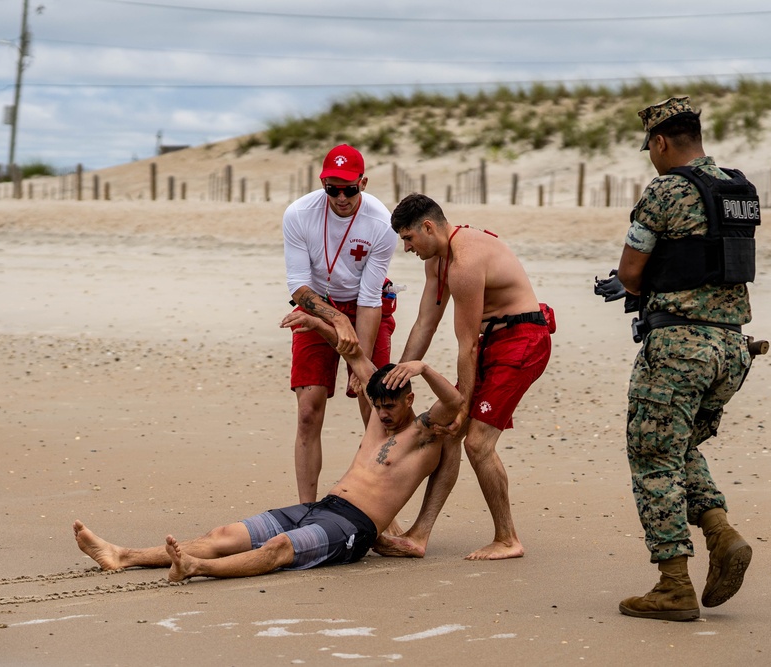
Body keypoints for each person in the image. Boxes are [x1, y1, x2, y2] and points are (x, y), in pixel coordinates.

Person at [73, 311, 463, 583]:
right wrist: (315, 323)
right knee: (223, 534)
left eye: (390, 406)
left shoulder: (423, 434)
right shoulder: (380, 412)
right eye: (377, 405)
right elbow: (354, 354)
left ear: (410, 400)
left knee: (278, 548)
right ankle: (122, 555)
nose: (382, 413)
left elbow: (455, 404)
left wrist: (423, 368)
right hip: (322, 507)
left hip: (352, 528)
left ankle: (194, 567)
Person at [594, 95, 761, 621]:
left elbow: (632, 269)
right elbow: (707, 260)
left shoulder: (666, 189)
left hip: (679, 351)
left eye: (650, 148)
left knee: (652, 459)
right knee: (679, 447)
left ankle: (672, 585)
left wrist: (625, 287)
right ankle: (720, 532)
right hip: (732, 349)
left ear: (661, 142)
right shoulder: (738, 189)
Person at [379, 193, 554, 561]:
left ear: (428, 227)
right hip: (494, 341)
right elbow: (426, 322)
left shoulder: (465, 261)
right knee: (441, 429)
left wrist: (463, 407)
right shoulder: (437, 263)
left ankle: (508, 539)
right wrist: (396, 381)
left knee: (475, 440)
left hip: (522, 341)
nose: (407, 248)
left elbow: (466, 347)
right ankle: (419, 535)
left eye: (409, 238)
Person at [283, 144, 398, 504]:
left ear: (363, 182)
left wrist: (356, 358)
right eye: (333, 188)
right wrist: (333, 319)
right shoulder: (299, 214)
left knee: (373, 405)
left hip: (367, 307)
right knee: (307, 411)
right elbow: (298, 285)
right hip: (317, 304)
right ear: (323, 184)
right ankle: (306, 509)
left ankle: (379, 506)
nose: (342, 197)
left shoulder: (382, 223)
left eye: (351, 188)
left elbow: (369, 297)